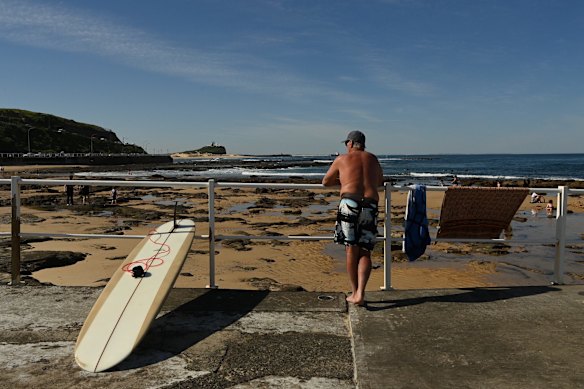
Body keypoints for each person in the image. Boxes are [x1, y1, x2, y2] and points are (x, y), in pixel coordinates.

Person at [322, 130, 384, 306]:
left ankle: (354, 291)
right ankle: (361, 294)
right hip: (370, 204)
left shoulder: (342, 159)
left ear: (350, 143)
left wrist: (344, 181)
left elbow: (326, 181)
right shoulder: (372, 158)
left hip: (349, 202)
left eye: (346, 143)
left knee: (351, 249)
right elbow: (379, 181)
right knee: (365, 250)